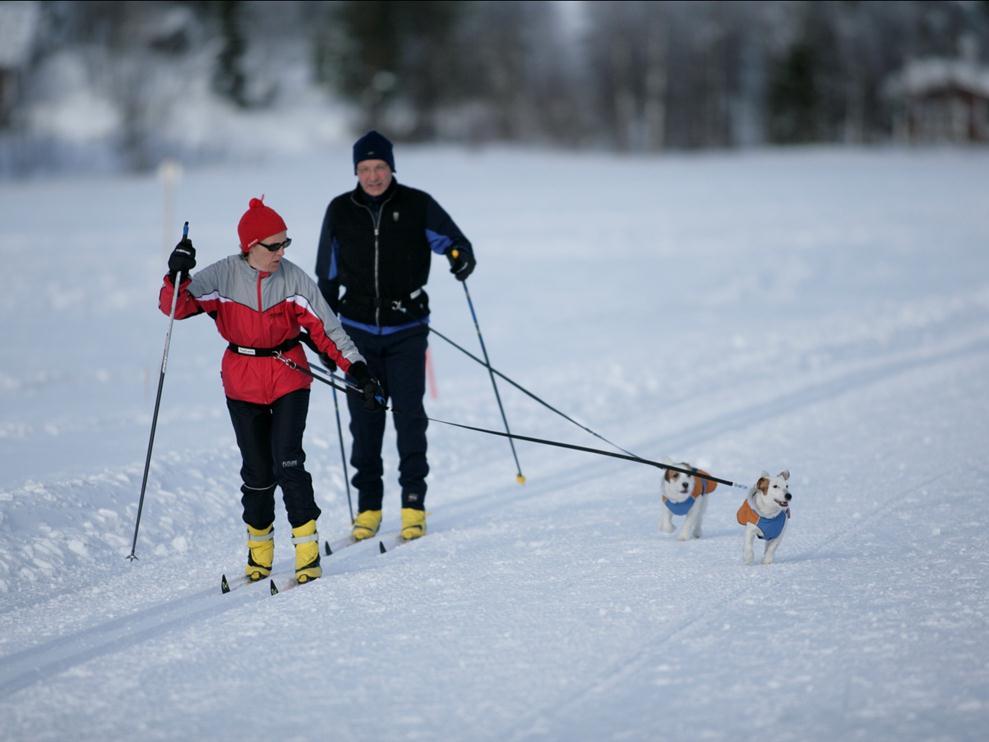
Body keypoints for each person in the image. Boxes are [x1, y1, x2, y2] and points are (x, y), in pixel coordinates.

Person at [159, 197, 381, 584]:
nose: (281, 252)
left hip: (288, 376)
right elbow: (176, 308)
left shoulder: (293, 279)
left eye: (285, 244)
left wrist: (358, 370)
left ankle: (307, 551)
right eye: (273, 245)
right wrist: (175, 273)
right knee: (258, 474)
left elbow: (329, 331)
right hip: (242, 380)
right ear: (250, 246)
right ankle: (259, 553)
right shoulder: (222, 276)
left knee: (289, 464)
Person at [314, 130, 476, 542]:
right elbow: (326, 279)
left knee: (409, 418)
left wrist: (460, 257)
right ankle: (368, 508)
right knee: (364, 424)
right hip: (356, 335)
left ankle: (413, 504)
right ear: (356, 171)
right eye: (365, 169)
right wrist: (325, 339)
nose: (372, 176)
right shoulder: (339, 210)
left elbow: (455, 243)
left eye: (379, 167)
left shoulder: (417, 204)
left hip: (406, 330)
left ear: (391, 167)